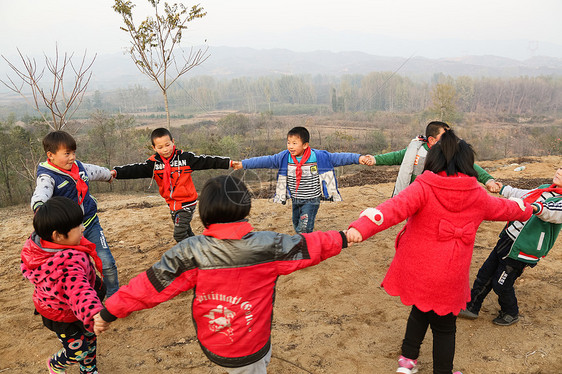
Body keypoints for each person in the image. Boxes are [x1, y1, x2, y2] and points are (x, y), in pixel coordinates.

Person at [93, 175, 348, 374]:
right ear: (245, 209)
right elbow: (312, 245)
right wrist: (344, 237)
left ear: (204, 213)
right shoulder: (269, 245)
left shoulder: (190, 251)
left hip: (214, 342)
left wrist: (109, 311)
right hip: (252, 345)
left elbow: (149, 286)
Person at [346, 129, 533, 374]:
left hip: (420, 269)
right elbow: (507, 209)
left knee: (419, 311)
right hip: (450, 275)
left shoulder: (422, 187)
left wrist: (362, 227)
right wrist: (531, 208)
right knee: (445, 327)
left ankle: (407, 361)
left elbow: (392, 209)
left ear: (433, 160)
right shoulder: (477, 195)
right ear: (468, 164)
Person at [459, 168, 562, 326]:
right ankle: (471, 307)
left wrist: (536, 208)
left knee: (501, 284)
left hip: (523, 250)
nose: (559, 172)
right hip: (508, 238)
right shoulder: (544, 188)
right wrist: (503, 188)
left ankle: (510, 312)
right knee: (484, 274)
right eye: (560, 168)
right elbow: (523, 194)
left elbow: (552, 212)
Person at [233, 126, 374, 233]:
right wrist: (243, 164)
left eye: (294, 143)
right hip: (296, 198)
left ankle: (305, 249)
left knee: (304, 227)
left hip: (312, 199)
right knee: (296, 223)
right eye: (288, 142)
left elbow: (340, 157)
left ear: (305, 145)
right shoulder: (284, 157)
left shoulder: (318, 156)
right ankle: (303, 239)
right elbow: (264, 160)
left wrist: (358, 158)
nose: (290, 146)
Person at [21, 196, 106, 374]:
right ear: (58, 235)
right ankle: (55, 364)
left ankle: (89, 370)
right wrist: (94, 313)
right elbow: (79, 291)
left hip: (68, 306)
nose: (83, 228)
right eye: (78, 226)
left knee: (90, 341)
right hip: (61, 314)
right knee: (79, 349)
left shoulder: (40, 245)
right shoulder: (66, 264)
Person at [111, 127, 239, 242]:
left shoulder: (185, 158)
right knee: (186, 232)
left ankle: (191, 256)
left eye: (167, 145)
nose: (165, 149)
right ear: (154, 148)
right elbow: (135, 170)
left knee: (179, 235)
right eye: (160, 147)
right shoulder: (153, 164)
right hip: (172, 204)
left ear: (173, 142)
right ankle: (200, 247)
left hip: (186, 203)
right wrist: (116, 172)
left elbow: (206, 161)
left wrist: (228, 163)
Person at [31, 130, 119, 297]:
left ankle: (113, 296)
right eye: (67, 153)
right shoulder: (47, 176)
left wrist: (109, 175)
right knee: (72, 268)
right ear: (51, 155)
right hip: (68, 231)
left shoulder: (78, 166)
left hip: (91, 223)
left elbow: (94, 171)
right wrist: (39, 208)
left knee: (106, 262)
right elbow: (41, 193)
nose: (72, 157)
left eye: (73, 152)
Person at [372, 121, 501, 196]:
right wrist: (374, 160)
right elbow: (395, 157)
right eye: (445, 135)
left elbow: (471, 167)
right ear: (432, 140)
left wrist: (488, 181)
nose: (450, 139)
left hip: (438, 196)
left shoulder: (452, 153)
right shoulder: (415, 150)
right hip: (415, 195)